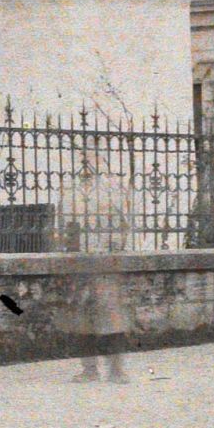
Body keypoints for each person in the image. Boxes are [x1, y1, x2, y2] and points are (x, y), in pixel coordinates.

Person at [68, 144, 136, 383]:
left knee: (110, 317)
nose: (85, 164)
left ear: (101, 163)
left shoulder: (112, 190)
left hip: (105, 263)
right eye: (81, 160)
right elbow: (64, 228)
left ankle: (117, 370)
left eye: (90, 160)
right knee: (82, 319)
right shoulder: (71, 191)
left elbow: (123, 224)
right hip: (79, 263)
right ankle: (89, 370)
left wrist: (113, 250)